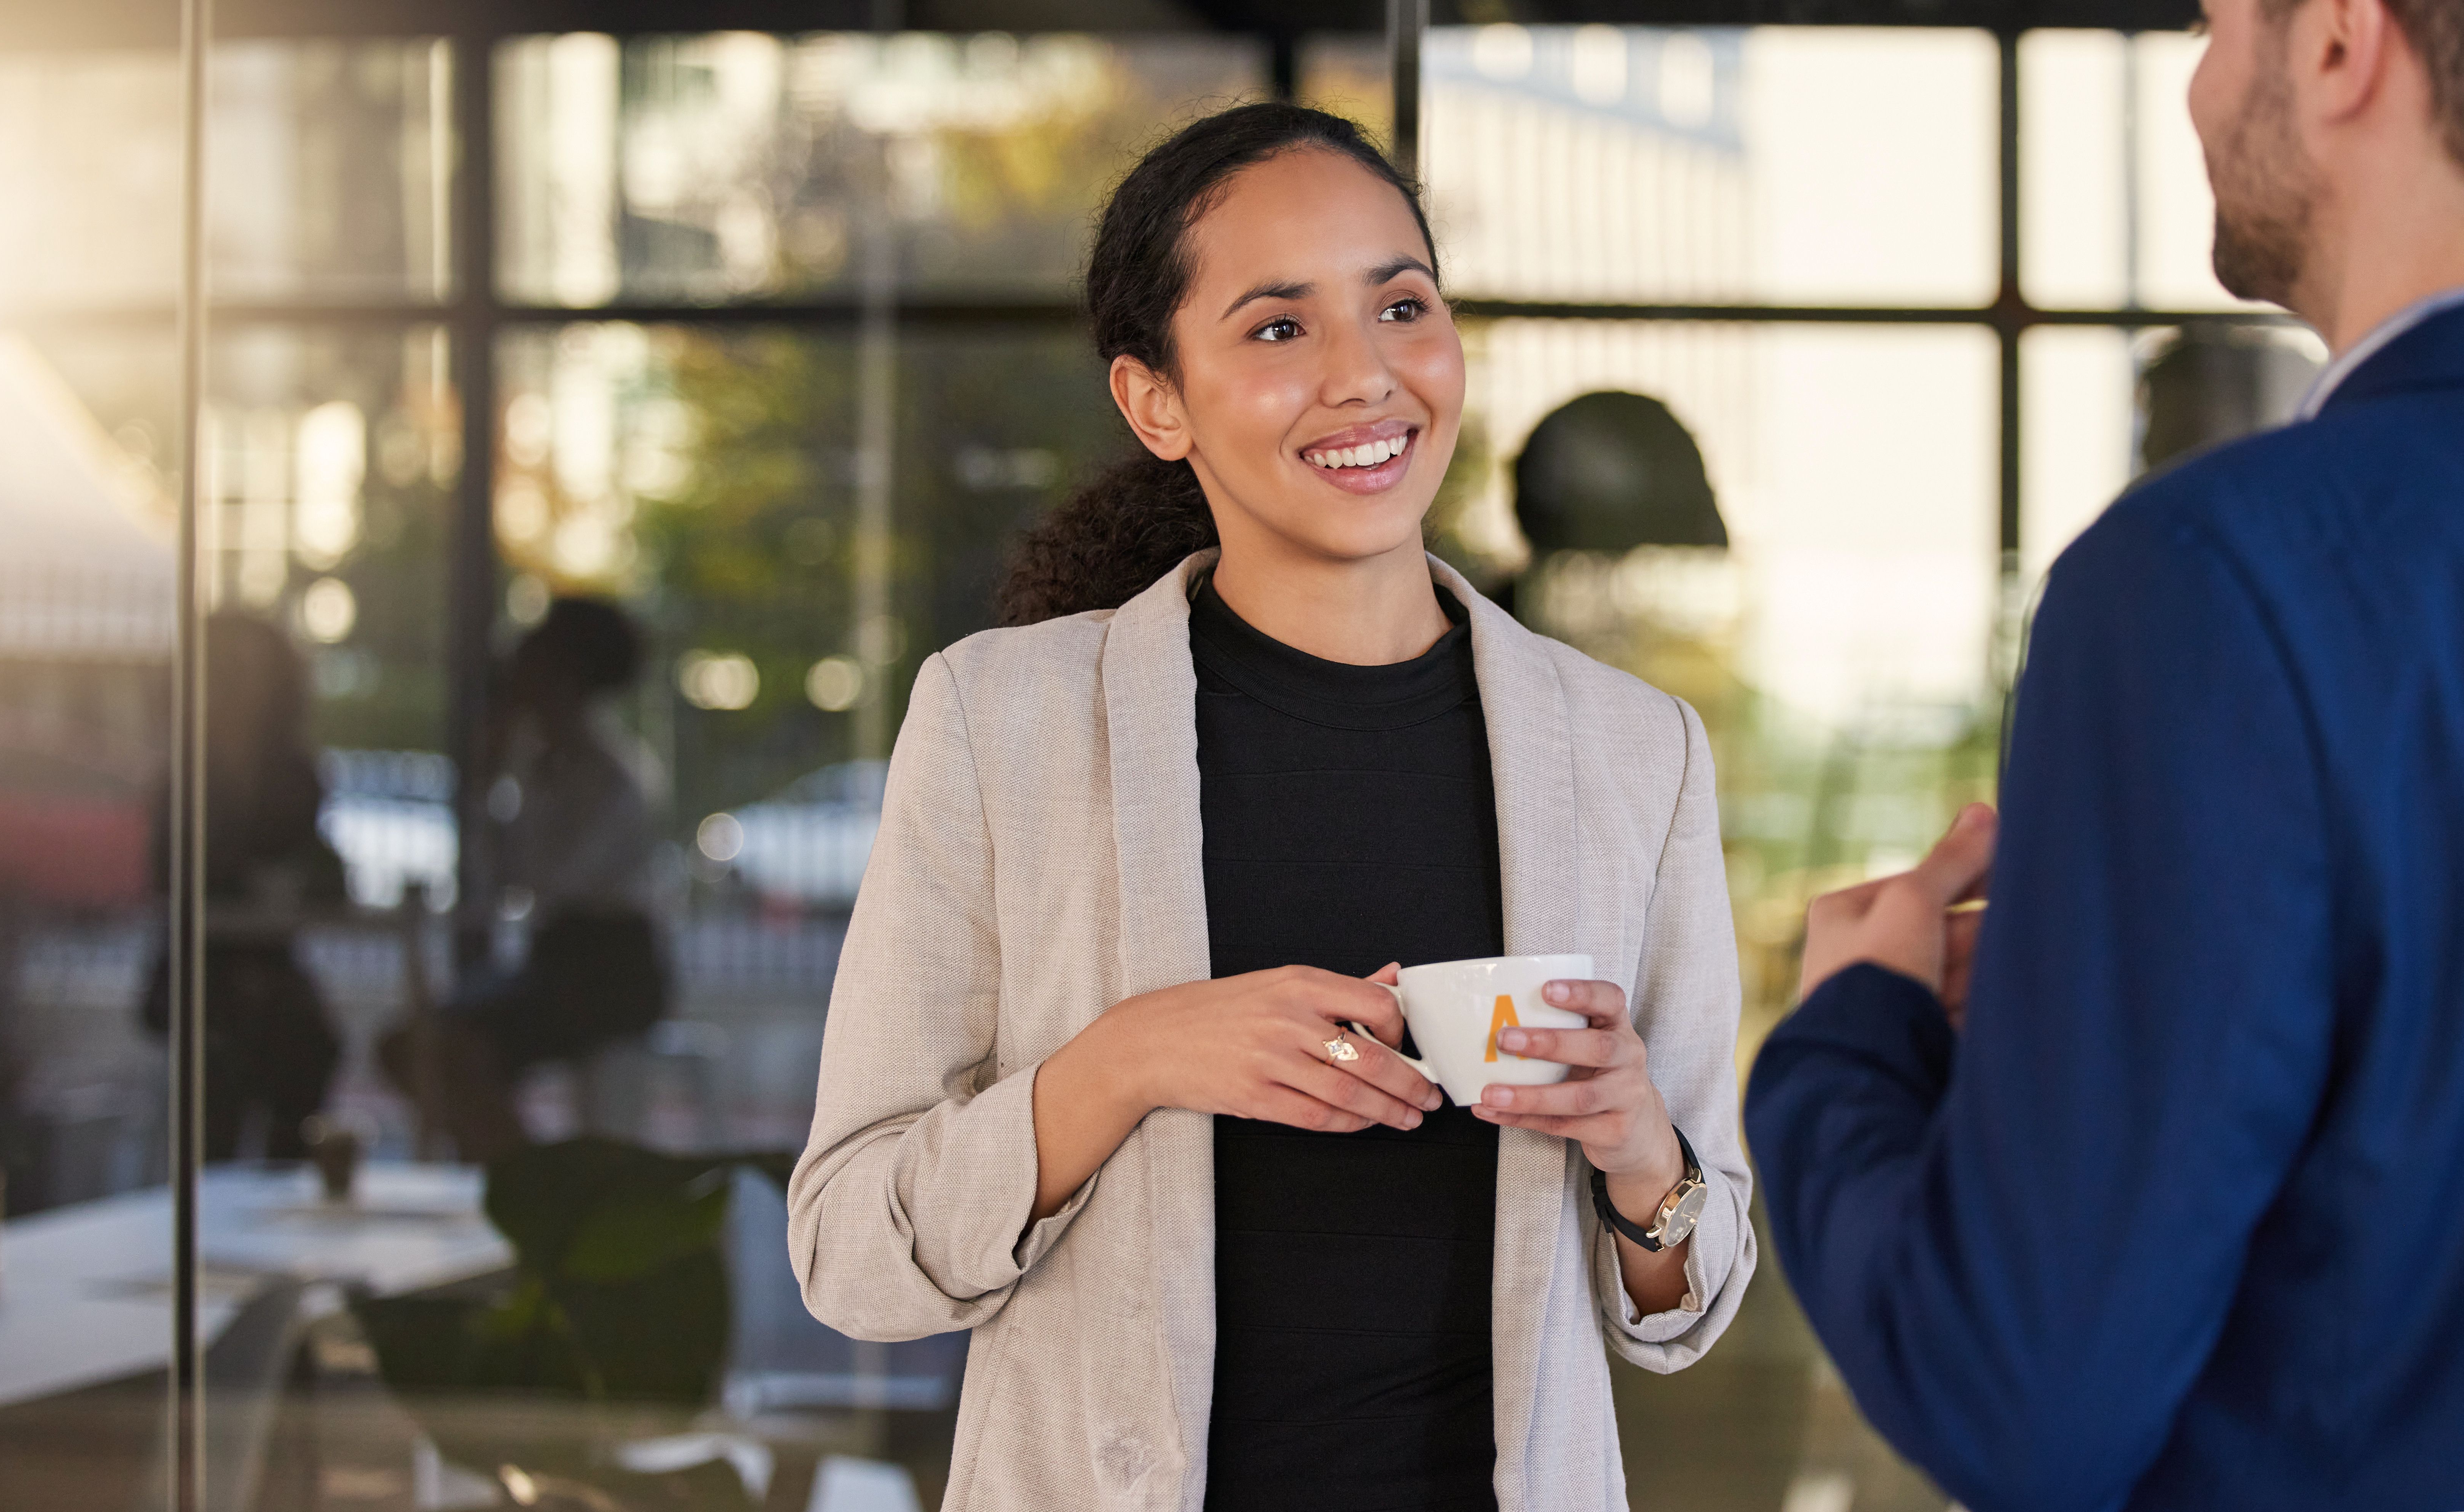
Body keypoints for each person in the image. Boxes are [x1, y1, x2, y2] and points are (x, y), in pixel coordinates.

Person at [787, 103, 1753, 1512]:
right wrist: (1125, 1059)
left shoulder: (1630, 750)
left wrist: (1634, 1147)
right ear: (1153, 400)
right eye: (1278, 329)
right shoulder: (1002, 724)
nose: (1365, 378)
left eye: (1400, 305)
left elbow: (1684, 1301)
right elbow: (851, 1255)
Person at [1746, 0, 2464, 1507]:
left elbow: (2018, 1396)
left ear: (2339, 43)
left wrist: (1847, 1041)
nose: (2197, 90)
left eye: (2210, 25)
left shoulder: (2212, 578)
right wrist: (2123, 991)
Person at [382, 596, 666, 1160]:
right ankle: (522, 1178)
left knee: (444, 1048)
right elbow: (509, 879)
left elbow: (550, 882)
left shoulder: (610, 776)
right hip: (558, 960)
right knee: (415, 1048)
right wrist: (493, 780)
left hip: (610, 970)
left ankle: (528, 1185)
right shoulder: (544, 769)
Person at [141, 612, 346, 1161]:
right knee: (225, 1053)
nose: (238, 689)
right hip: (201, 969)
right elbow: (166, 874)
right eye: (226, 673)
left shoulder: (294, 773)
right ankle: (213, 1188)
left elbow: (326, 872)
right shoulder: (185, 772)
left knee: (308, 1049)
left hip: (272, 967)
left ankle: (282, 1186)